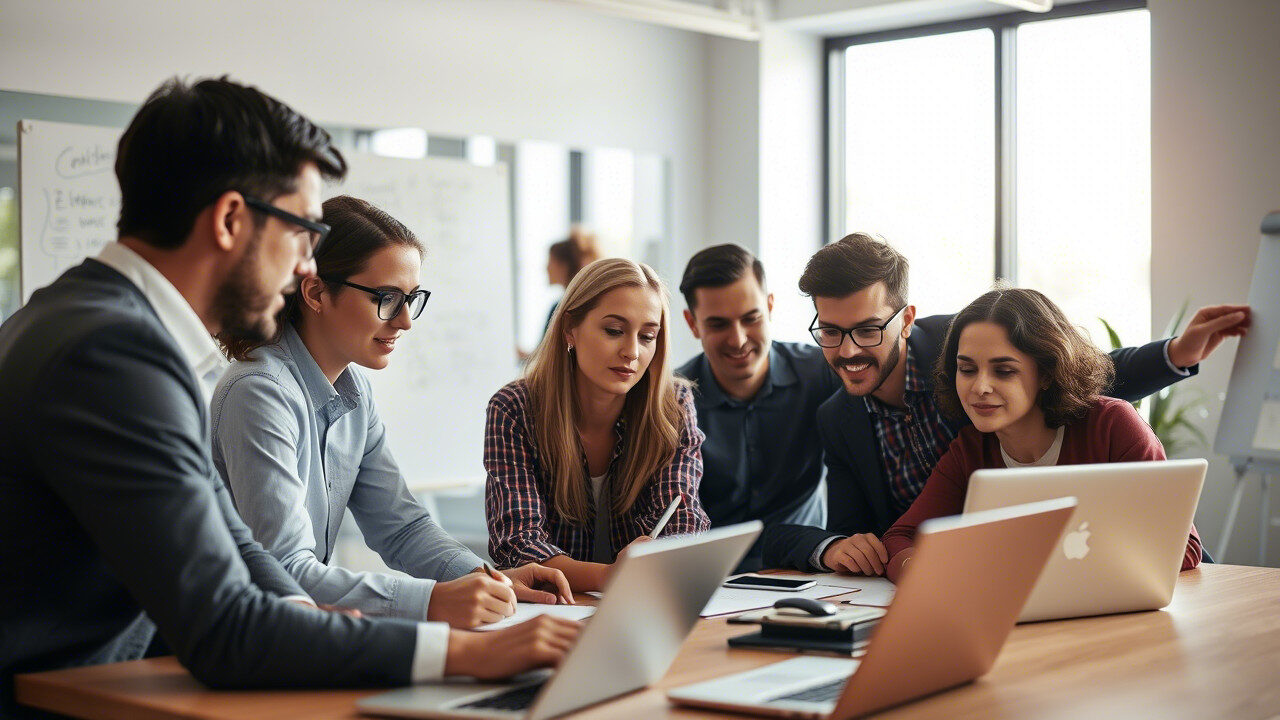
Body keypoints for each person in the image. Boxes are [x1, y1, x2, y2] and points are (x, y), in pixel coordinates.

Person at [0, 77, 578, 712]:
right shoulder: (115, 356)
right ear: (230, 220)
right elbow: (228, 628)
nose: (306, 266)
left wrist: (305, 616)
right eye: (302, 232)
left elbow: (239, 544)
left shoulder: (79, 318)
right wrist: (467, 653)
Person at [762, 233, 1248, 574]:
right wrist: (845, 551)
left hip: (1132, 573)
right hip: (973, 578)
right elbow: (859, 536)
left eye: (868, 330)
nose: (847, 350)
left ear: (905, 320)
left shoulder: (965, 341)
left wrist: (1174, 354)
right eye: (830, 332)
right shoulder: (842, 419)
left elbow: (1078, 372)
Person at [212, 195, 572, 628]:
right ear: (316, 292)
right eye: (386, 298)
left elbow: (401, 527)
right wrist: (431, 601)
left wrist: (488, 578)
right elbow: (286, 570)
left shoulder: (354, 392)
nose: (405, 321)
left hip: (295, 631)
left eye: (411, 298)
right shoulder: (259, 392)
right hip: (234, 637)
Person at [880, 287, 1204, 580]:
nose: (980, 387)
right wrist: (923, 573)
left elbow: (1186, 547)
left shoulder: (1112, 425)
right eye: (967, 369)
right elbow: (900, 537)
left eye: (1004, 371)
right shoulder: (971, 449)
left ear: (1047, 373)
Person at [485, 258, 711, 592]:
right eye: (614, 331)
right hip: (555, 609)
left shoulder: (673, 405)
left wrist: (663, 557)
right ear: (570, 328)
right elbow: (518, 544)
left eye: (647, 336)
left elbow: (683, 522)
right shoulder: (515, 408)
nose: (632, 352)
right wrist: (610, 577)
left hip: (643, 602)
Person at [675, 244, 840, 571]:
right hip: (712, 580)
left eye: (751, 319)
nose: (738, 340)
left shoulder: (822, 374)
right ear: (692, 324)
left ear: (770, 306)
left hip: (809, 569)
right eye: (718, 324)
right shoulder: (671, 402)